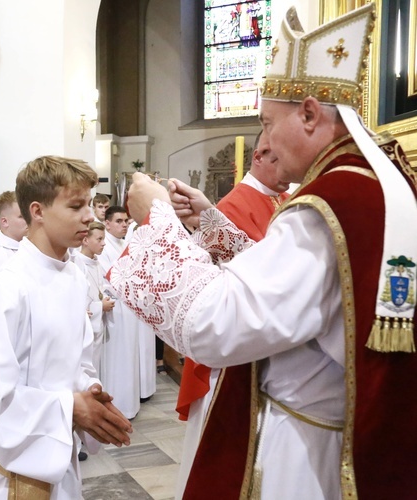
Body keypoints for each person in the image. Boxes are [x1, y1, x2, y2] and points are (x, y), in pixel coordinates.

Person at [109, 5, 417, 498]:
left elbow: (215, 323)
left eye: (269, 123)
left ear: (311, 114)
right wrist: (212, 223)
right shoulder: (378, 184)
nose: (265, 140)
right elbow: (299, 290)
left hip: (305, 450)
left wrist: (157, 216)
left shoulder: (328, 207)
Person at [0, 156, 132, 499]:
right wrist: (68, 407)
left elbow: (79, 361)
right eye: (76, 205)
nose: (90, 216)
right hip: (9, 474)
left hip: (58, 457)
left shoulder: (74, 277)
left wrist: (90, 393)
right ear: (38, 211)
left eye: (90, 204)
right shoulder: (7, 285)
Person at [174, 130, 291, 498]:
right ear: (261, 155)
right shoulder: (230, 207)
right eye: (281, 157)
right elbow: (225, 284)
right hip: (233, 356)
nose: (289, 168)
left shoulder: (287, 199)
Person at [97, 206, 148, 418]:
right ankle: (118, 405)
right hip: (116, 310)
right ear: (107, 223)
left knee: (129, 358)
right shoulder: (104, 246)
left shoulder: (122, 242)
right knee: (118, 360)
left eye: (126, 221)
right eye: (118, 221)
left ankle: (129, 403)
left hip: (129, 307)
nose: (124, 225)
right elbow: (108, 278)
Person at [72, 221, 115, 376]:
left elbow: (98, 290)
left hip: (97, 325)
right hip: (85, 329)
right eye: (99, 239)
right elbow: (77, 300)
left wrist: (106, 298)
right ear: (85, 240)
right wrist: (99, 307)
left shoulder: (96, 262)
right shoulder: (76, 264)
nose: (104, 243)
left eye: (104, 239)